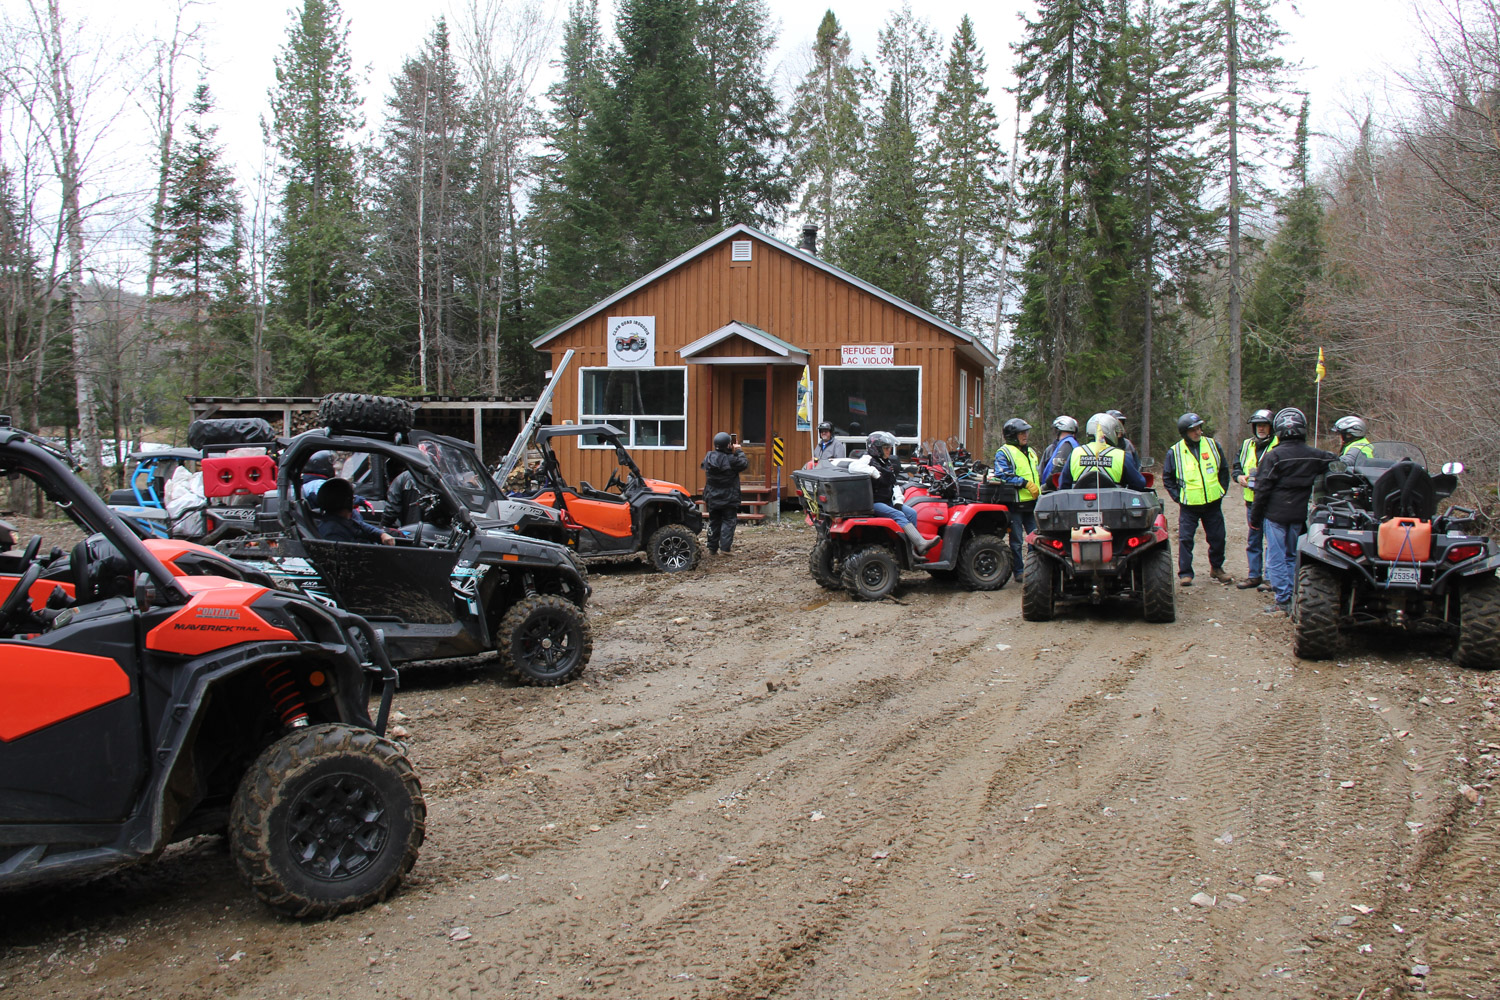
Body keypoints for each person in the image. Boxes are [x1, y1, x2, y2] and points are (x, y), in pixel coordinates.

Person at [1249, 407, 1334, 615]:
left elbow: (1262, 490)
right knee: (1291, 556)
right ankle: (1295, 596)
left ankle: (1283, 600)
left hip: (1275, 516)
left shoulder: (1274, 456)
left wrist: (1255, 518)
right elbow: (1337, 462)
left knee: (1276, 558)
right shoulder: (1315, 456)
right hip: (1297, 515)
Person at [1163, 412, 1234, 587]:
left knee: (1218, 538)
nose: (1197, 432)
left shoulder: (1212, 445)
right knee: (1186, 539)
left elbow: (1224, 469)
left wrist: (1222, 490)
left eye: (1199, 428)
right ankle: (1185, 573)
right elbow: (1167, 477)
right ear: (1184, 432)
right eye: (1193, 430)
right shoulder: (1175, 451)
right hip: (1189, 505)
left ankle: (1217, 568)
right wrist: (1178, 497)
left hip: (1212, 503)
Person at [850, 430, 937, 556]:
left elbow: (893, 484)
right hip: (874, 502)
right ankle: (921, 543)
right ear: (876, 448)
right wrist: (873, 472)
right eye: (886, 448)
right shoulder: (867, 459)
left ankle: (911, 551)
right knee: (898, 515)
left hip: (887, 501)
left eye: (890, 447)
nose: (889, 450)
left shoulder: (886, 462)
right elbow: (852, 467)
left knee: (911, 513)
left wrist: (898, 502)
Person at [1231, 409, 1278, 592]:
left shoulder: (1278, 444)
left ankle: (1271, 578)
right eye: (1258, 425)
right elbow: (1236, 467)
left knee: (1273, 541)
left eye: (1264, 425)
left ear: (1271, 427)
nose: (1261, 429)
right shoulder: (1246, 445)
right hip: (1251, 501)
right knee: (1253, 539)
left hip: (1272, 501)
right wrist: (1239, 477)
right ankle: (1254, 575)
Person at [992, 418, 1041, 581]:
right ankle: (1019, 572)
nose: (1025, 435)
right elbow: (1002, 475)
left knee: (1036, 540)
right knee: (1017, 542)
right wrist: (1025, 483)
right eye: (1021, 433)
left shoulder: (1031, 452)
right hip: (1015, 505)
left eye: (1026, 432)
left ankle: (1035, 570)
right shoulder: (1004, 452)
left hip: (1032, 504)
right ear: (1012, 435)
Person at [1059, 412, 1149, 490]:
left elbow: (1063, 484)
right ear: (1110, 431)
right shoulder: (1121, 456)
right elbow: (1139, 484)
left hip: (1078, 505)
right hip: (1115, 506)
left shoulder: (1075, 453)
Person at [701, 431, 750, 556]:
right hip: (729, 497)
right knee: (729, 521)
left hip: (712, 496)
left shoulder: (709, 457)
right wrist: (738, 450)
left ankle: (712, 548)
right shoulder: (732, 460)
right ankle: (725, 549)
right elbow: (744, 463)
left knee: (714, 521)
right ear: (728, 445)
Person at [315, 478, 395, 545]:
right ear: (348, 501)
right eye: (352, 498)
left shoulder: (345, 520)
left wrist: (382, 534)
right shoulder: (332, 532)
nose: (354, 500)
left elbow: (362, 526)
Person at [1039, 415, 1080, 493]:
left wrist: (1046, 487)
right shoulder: (1070, 443)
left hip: (1056, 491)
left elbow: (1057, 471)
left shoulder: (1067, 445)